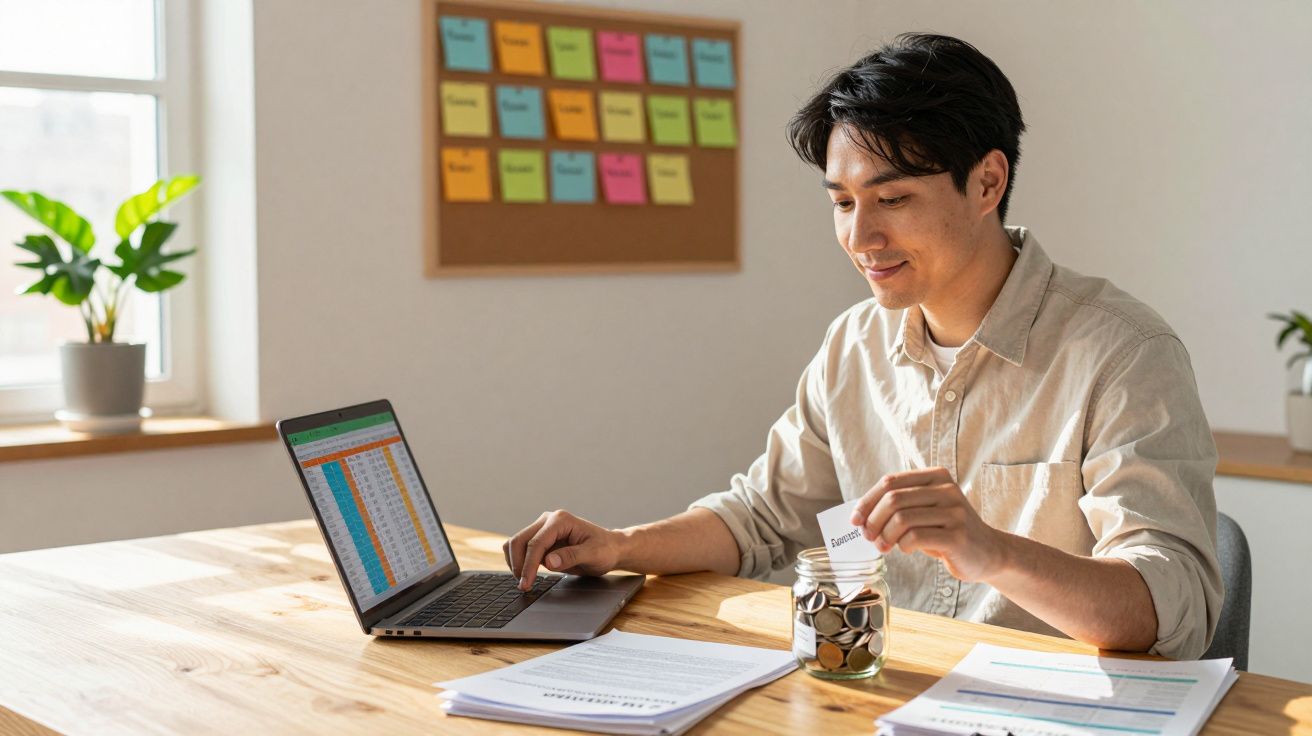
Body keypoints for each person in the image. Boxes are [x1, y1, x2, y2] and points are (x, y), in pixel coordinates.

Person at [503, 33, 1222, 659]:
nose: (860, 237)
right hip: (880, 691)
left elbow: (1172, 606)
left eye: (894, 198)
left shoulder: (1123, 353)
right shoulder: (853, 344)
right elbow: (760, 517)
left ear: (987, 182)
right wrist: (620, 547)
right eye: (842, 202)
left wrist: (992, 551)